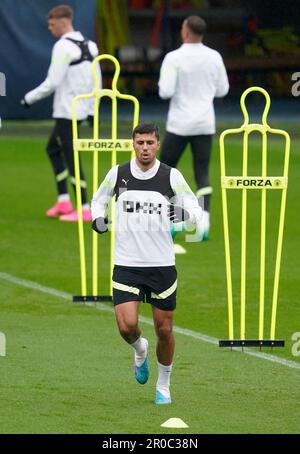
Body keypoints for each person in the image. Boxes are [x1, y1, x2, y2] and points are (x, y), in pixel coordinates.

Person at [91, 123, 202, 404]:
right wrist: (97, 219)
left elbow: (195, 208)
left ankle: (163, 384)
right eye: (140, 142)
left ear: (157, 144)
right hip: (126, 263)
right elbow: (99, 199)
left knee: (164, 329)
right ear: (133, 143)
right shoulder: (118, 173)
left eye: (150, 143)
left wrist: (184, 213)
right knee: (127, 327)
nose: (144, 148)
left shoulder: (170, 176)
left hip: (161, 265)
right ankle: (140, 349)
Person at [21, 4, 101, 222]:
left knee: (71, 157)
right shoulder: (91, 46)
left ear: (63, 22)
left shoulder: (62, 47)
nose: (50, 28)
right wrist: (93, 109)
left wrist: (29, 98)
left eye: (51, 24)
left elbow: (52, 82)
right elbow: (98, 80)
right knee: (53, 149)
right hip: (81, 110)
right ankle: (64, 200)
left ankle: (84, 207)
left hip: (67, 111)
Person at [158, 15, 229, 239]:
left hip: (179, 124)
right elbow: (223, 90)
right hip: (204, 123)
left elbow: (165, 91)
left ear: (186, 32)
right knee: (202, 173)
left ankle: (176, 220)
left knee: (166, 172)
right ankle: (204, 222)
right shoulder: (214, 56)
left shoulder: (173, 58)